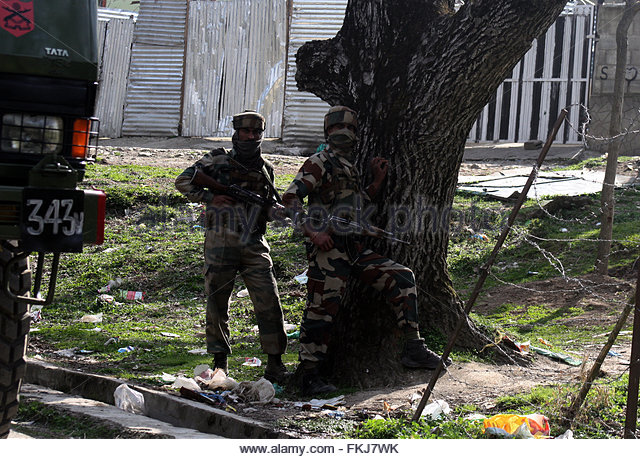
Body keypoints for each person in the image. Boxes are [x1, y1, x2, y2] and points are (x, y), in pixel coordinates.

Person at [282, 106, 450, 396]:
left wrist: (376, 182)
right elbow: (290, 198)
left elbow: (356, 203)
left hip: (355, 248)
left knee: (402, 277)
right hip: (329, 251)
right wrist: (314, 232)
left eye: (350, 128)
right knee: (321, 310)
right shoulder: (319, 162)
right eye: (337, 128)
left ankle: (413, 347)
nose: (344, 133)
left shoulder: (350, 166)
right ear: (328, 132)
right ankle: (309, 374)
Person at [175, 110, 290, 384]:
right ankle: (219, 363)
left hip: (254, 242)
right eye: (246, 132)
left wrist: (275, 213)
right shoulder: (216, 160)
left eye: (256, 133)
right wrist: (210, 197)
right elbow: (182, 181)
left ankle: (275, 364)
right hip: (221, 241)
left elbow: (267, 206)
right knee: (217, 303)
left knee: (269, 302)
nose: (251, 137)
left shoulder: (266, 168)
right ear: (236, 133)